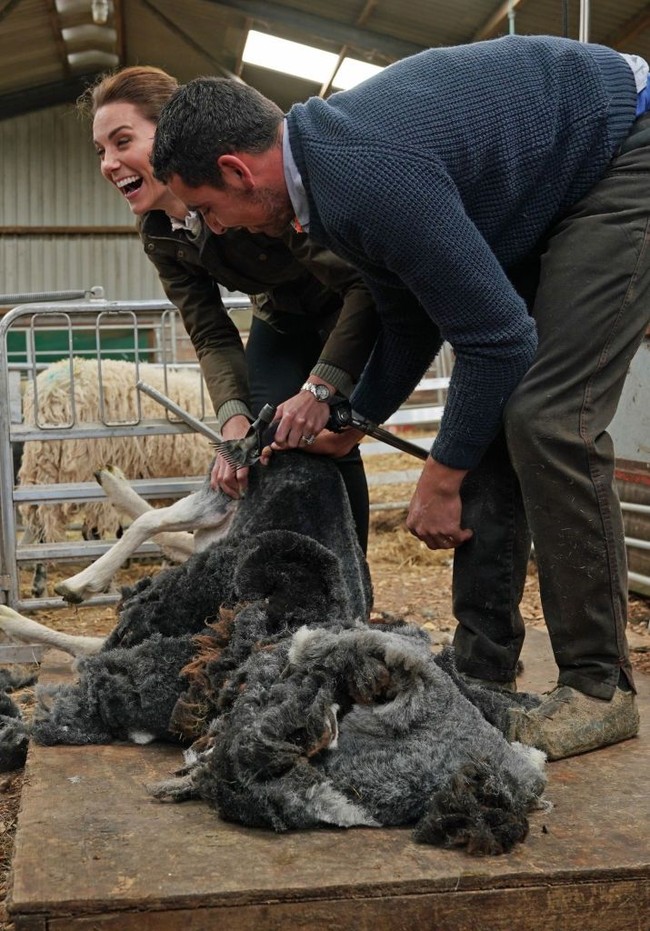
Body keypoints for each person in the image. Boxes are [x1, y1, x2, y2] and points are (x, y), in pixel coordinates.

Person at [150, 36, 650, 760]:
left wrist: (441, 476)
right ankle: (484, 662)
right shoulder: (326, 179)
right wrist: (350, 417)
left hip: (622, 146)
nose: (215, 230)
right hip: (561, 173)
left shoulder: (360, 173)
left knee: (547, 419)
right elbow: (407, 315)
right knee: (501, 416)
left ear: (236, 169)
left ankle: (600, 688)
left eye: (207, 208)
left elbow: (498, 340)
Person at [80, 66, 380, 550]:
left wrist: (322, 387)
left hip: (344, 308)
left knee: (325, 439)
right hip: (278, 315)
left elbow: (358, 286)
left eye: (122, 141)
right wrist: (233, 418)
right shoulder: (159, 232)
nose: (109, 164)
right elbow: (210, 331)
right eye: (100, 151)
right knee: (264, 443)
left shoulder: (247, 186)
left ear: (173, 133)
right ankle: (287, 579)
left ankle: (348, 590)